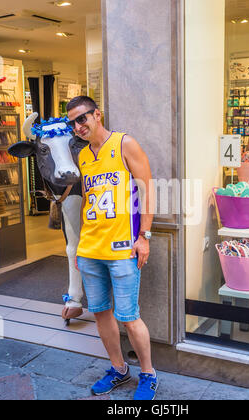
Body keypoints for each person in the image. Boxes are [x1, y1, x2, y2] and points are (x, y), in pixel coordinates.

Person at [66, 96, 157, 400]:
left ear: (97, 114)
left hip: (122, 250)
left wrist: (144, 235)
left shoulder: (124, 143)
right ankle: (119, 369)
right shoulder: (82, 156)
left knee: (129, 316)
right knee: (101, 314)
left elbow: (147, 189)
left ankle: (148, 374)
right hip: (91, 250)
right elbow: (88, 203)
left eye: (82, 118)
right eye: (73, 122)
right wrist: (79, 247)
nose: (78, 126)